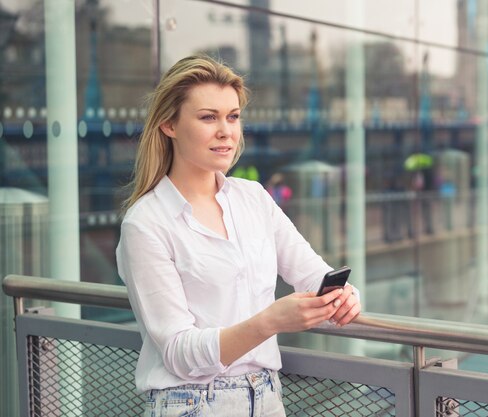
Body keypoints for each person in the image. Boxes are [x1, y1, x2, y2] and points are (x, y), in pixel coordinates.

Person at [115, 54, 361, 417]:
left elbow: (314, 275)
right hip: (191, 404)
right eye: (207, 117)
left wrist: (345, 297)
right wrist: (270, 321)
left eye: (233, 116)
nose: (226, 131)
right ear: (169, 125)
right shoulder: (146, 224)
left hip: (267, 396)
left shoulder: (253, 198)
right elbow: (179, 352)